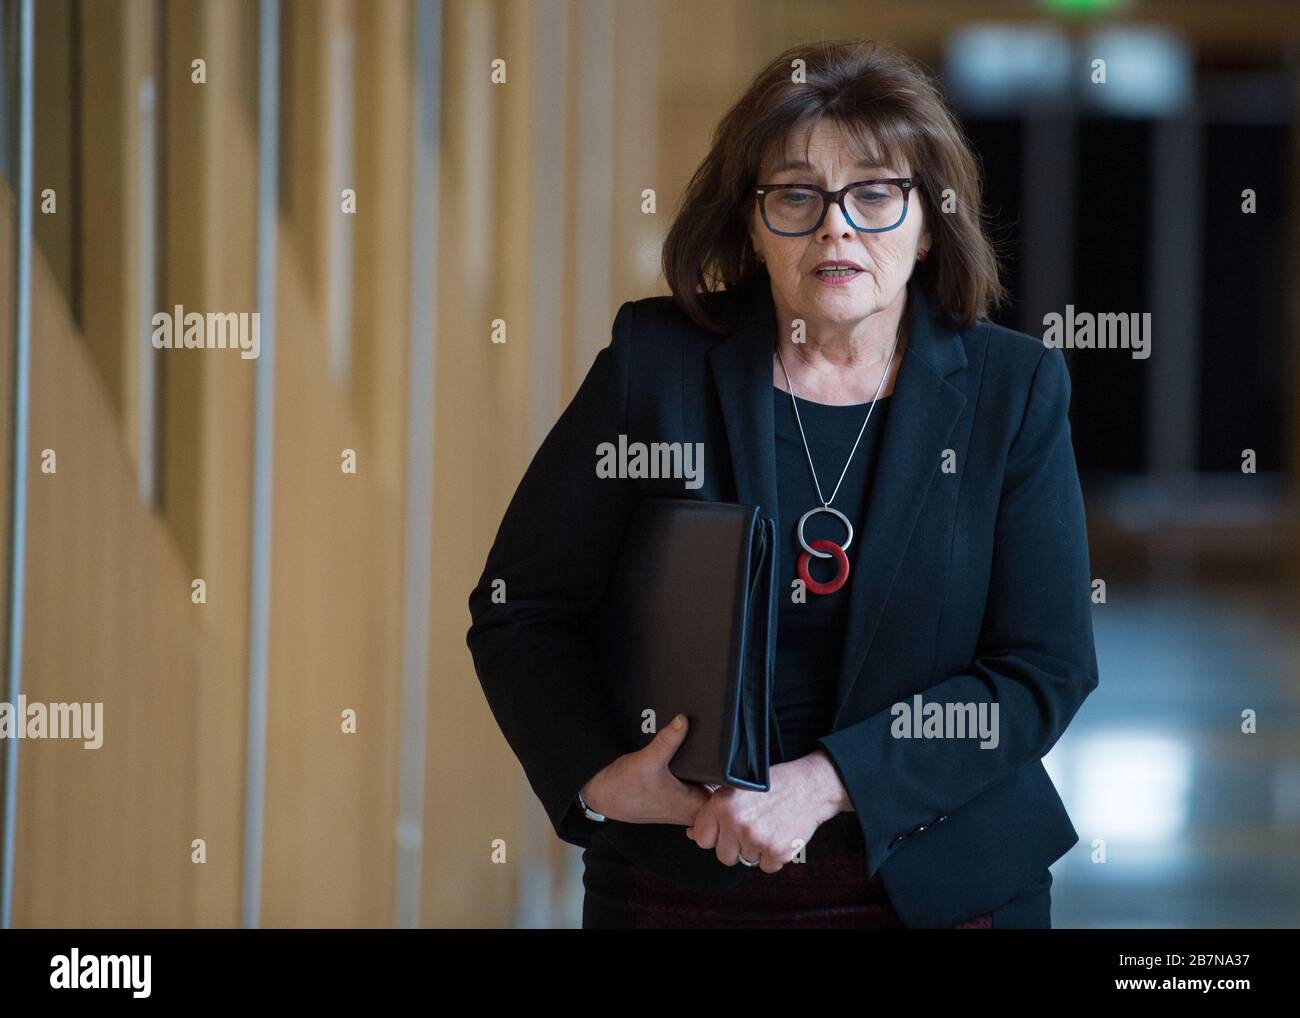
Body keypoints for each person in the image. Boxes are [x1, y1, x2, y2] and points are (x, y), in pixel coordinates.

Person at [466, 38, 1098, 928]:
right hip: (682, 875)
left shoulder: (1012, 389)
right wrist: (601, 777)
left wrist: (826, 783)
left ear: (926, 228)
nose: (837, 226)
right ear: (752, 228)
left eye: (875, 194)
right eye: (797, 196)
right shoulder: (658, 367)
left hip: (945, 885)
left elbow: (1043, 669)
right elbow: (519, 606)